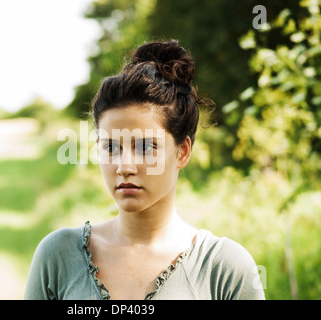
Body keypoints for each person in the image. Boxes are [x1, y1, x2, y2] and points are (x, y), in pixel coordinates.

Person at [24, 40, 265, 300]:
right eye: (111, 147)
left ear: (182, 152)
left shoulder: (224, 269)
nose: (124, 166)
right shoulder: (58, 256)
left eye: (145, 147)